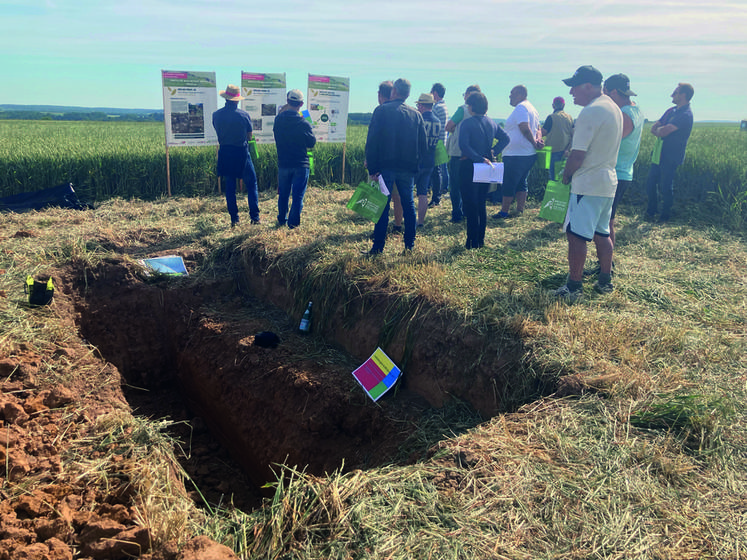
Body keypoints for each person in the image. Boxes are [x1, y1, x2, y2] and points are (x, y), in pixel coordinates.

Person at [552, 65, 622, 302]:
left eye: (574, 87)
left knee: (576, 235)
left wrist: (566, 175)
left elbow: (578, 155)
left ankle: (574, 287)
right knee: (602, 233)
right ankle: (605, 280)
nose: (571, 92)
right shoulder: (613, 107)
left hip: (588, 183)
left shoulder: (590, 112)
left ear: (589, 86)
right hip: (607, 183)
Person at [365, 78, 427, 255]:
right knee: (408, 205)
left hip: (385, 167)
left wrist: (372, 169)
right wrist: (417, 166)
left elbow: (372, 141)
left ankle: (378, 247)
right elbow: (423, 145)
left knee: (382, 206)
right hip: (408, 168)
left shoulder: (381, 111)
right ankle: (409, 246)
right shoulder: (416, 115)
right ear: (408, 94)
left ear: (394, 92)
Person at [458, 92, 510, 249]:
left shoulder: (467, 123)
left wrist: (478, 158)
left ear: (472, 106)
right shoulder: (491, 122)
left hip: (470, 166)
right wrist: (493, 152)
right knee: (481, 203)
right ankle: (480, 240)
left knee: (470, 204)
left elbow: (464, 146)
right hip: (486, 167)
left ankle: (471, 241)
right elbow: (506, 138)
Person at [603, 74, 644, 248]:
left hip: (616, 172)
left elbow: (611, 140)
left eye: (605, 93)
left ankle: (606, 264)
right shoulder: (635, 110)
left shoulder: (625, 114)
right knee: (606, 220)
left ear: (613, 92)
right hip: (622, 172)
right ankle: (605, 262)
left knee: (606, 222)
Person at [212, 84, 260, 227]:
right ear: (237, 100)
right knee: (252, 184)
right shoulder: (244, 115)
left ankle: (234, 219)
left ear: (226, 98)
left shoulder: (216, 115)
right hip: (241, 153)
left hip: (225, 153)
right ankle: (255, 218)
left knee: (230, 187)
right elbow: (250, 135)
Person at [646, 83, 694, 222]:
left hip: (671, 156)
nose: (672, 95)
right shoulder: (671, 111)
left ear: (683, 95)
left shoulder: (685, 115)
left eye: (675, 93)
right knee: (650, 184)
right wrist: (660, 131)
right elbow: (655, 127)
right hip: (658, 154)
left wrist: (661, 131)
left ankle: (664, 216)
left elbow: (664, 131)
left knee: (666, 187)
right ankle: (651, 211)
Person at [494, 85, 543, 218]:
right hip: (528, 153)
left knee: (509, 181)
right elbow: (538, 128)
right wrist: (538, 140)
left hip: (516, 154)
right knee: (522, 181)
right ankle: (519, 209)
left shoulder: (521, 107)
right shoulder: (532, 109)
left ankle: (504, 211)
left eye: (512, 93)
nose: (510, 96)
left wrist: (534, 142)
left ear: (520, 94)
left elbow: (525, 128)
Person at [273, 89, 317, 229]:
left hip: (283, 163)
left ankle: (281, 220)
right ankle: (293, 225)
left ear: (287, 101)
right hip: (300, 164)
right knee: (298, 196)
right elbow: (311, 143)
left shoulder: (278, 119)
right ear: (301, 104)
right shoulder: (303, 122)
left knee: (283, 194)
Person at [444, 84, 482, 223]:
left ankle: (456, 214)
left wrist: (456, 132)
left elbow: (449, 126)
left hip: (458, 152)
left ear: (468, 95)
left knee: (455, 185)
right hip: (474, 153)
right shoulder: (482, 112)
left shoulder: (462, 109)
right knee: (469, 185)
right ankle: (468, 211)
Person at [414, 93, 442, 226]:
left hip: (417, 159)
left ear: (421, 105)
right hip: (430, 159)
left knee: (407, 192)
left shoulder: (418, 119)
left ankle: (402, 219)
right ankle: (420, 222)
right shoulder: (438, 121)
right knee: (423, 193)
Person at [541, 96, 574, 181]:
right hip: (567, 152)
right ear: (564, 105)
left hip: (554, 151)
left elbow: (543, 132)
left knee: (554, 178)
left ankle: (555, 195)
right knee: (564, 178)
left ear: (553, 105)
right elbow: (573, 134)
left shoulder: (551, 117)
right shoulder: (570, 117)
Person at [429, 83, 449, 207]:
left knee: (437, 171)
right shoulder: (444, 106)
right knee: (442, 169)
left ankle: (438, 194)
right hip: (443, 141)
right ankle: (441, 191)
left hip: (437, 142)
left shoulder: (437, 108)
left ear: (435, 93)